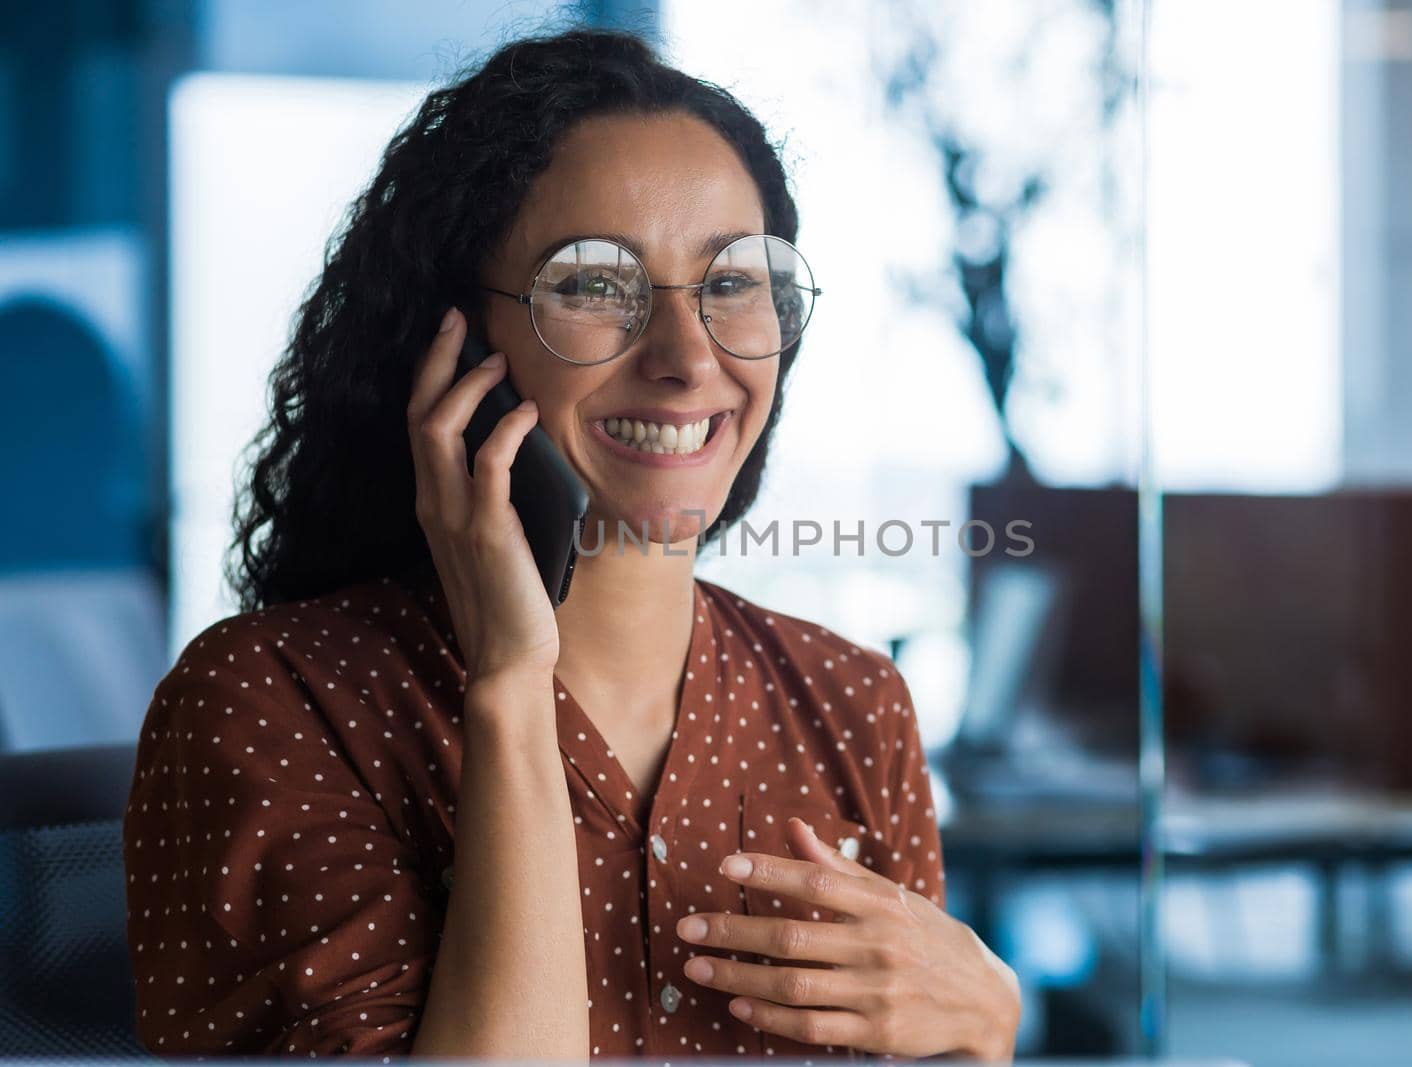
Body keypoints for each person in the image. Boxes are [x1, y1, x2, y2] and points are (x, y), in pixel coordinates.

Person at [123, 27, 1020, 1061]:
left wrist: (985, 1024)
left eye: (733, 281)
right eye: (595, 284)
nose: (689, 359)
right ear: (453, 343)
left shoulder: (851, 704)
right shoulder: (272, 701)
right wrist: (510, 685)